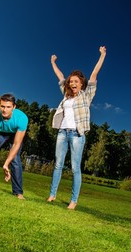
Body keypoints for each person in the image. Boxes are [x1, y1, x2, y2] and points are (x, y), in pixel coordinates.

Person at [47, 46, 106, 210]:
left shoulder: (86, 95)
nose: (72, 83)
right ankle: (52, 195)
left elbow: (94, 74)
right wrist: (53, 62)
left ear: (81, 84)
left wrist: (102, 55)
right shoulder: (66, 95)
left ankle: (74, 200)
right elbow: (59, 76)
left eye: (76, 81)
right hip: (62, 133)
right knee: (58, 164)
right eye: (71, 81)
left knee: (74, 167)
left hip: (77, 135)